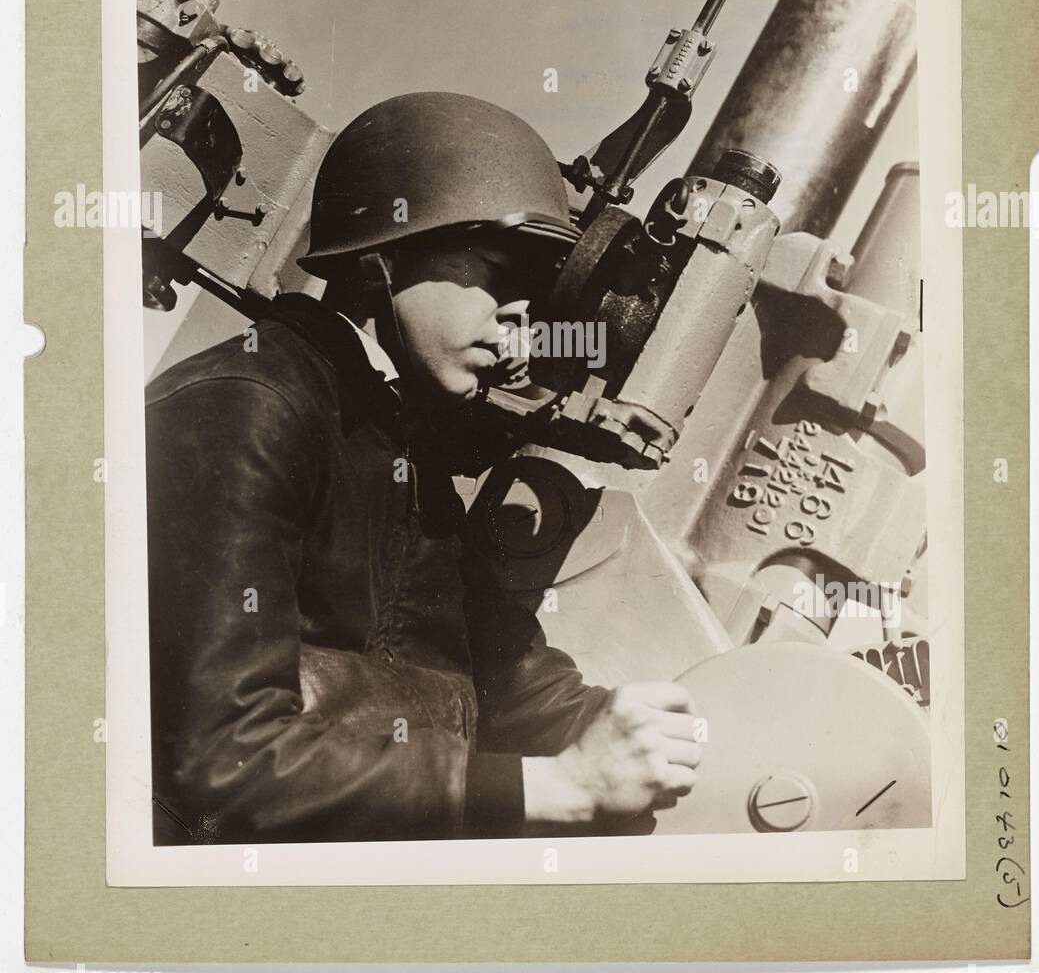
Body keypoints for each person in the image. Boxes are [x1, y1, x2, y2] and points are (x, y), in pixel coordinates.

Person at [145, 91, 702, 844]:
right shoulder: (246, 408)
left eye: (537, 291)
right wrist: (561, 785)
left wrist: (650, 729)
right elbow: (222, 760)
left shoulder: (400, 438)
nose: (522, 317)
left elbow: (496, 676)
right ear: (380, 261)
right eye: (499, 275)